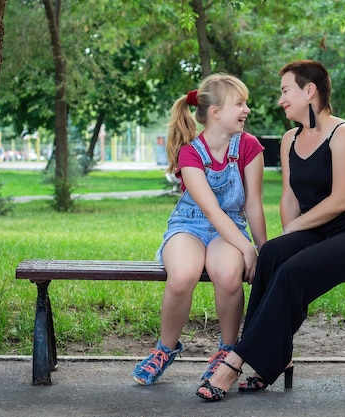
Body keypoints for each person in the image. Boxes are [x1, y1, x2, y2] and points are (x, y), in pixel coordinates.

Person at [196, 60, 345, 401]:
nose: (281, 100)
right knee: (272, 253)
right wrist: (288, 238)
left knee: (292, 273)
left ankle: (234, 361)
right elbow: (289, 197)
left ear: (309, 90)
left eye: (286, 91)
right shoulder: (290, 139)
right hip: (321, 230)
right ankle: (278, 357)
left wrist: (295, 233)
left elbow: (340, 201)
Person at [132, 73, 267, 386]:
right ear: (216, 112)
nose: (247, 109)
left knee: (228, 274)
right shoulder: (190, 152)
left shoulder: (249, 147)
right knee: (182, 276)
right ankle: (165, 349)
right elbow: (209, 209)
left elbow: (254, 205)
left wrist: (264, 251)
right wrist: (247, 248)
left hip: (230, 226)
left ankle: (227, 352)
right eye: (240, 103)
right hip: (189, 223)